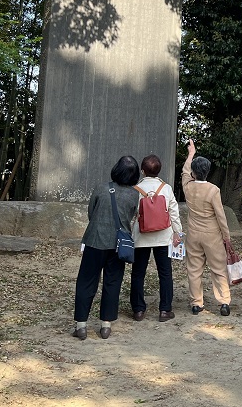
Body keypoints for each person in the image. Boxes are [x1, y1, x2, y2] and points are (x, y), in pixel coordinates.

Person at [72, 155, 140, 340]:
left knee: (86, 281)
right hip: (119, 245)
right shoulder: (134, 194)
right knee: (113, 282)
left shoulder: (101, 188)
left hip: (95, 240)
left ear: (116, 169)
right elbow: (130, 216)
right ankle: (106, 326)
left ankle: (81, 326)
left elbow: (91, 213)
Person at [182, 139, 233, 316]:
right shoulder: (213, 190)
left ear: (194, 173)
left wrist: (191, 154)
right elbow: (221, 216)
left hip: (193, 234)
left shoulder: (187, 187)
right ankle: (224, 301)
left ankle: (197, 303)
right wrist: (226, 236)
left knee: (194, 269)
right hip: (212, 235)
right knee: (218, 269)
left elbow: (184, 171)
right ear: (208, 172)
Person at [130, 154, 183, 322]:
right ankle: (165, 310)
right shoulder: (166, 188)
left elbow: (131, 214)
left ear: (142, 171)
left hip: (141, 236)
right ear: (159, 170)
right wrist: (178, 233)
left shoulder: (136, 189)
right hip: (163, 235)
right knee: (165, 273)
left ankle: (138, 310)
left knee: (138, 273)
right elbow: (174, 212)